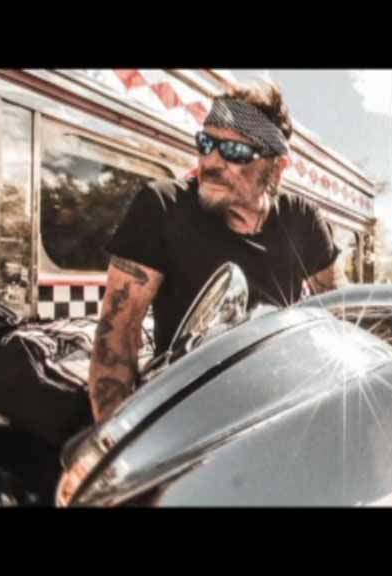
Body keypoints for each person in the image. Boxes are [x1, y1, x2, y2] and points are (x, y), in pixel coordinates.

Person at [87, 82, 341, 422]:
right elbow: (118, 334)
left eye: (234, 151)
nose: (211, 161)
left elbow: (339, 316)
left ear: (277, 167)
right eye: (205, 143)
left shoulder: (302, 219)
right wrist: (116, 444)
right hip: (187, 419)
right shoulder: (162, 207)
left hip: (277, 411)